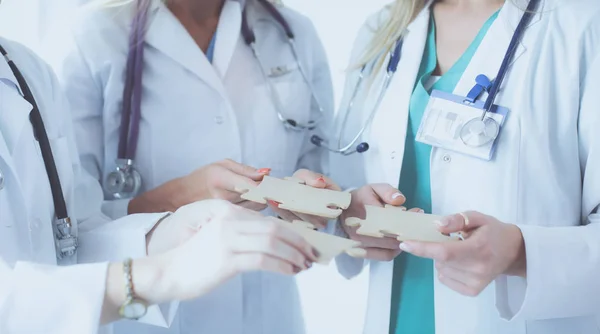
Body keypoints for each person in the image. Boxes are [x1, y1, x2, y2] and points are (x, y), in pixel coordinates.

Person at [45, 0, 335, 333]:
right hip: (148, 319)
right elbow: (68, 231)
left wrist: (306, 196)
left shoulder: (292, 32)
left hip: (270, 315)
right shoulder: (93, 37)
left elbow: (321, 166)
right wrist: (179, 199)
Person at [326, 0, 600, 333]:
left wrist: (521, 252)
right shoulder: (384, 30)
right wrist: (349, 214)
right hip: (398, 317)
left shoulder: (583, 25)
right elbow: (345, 188)